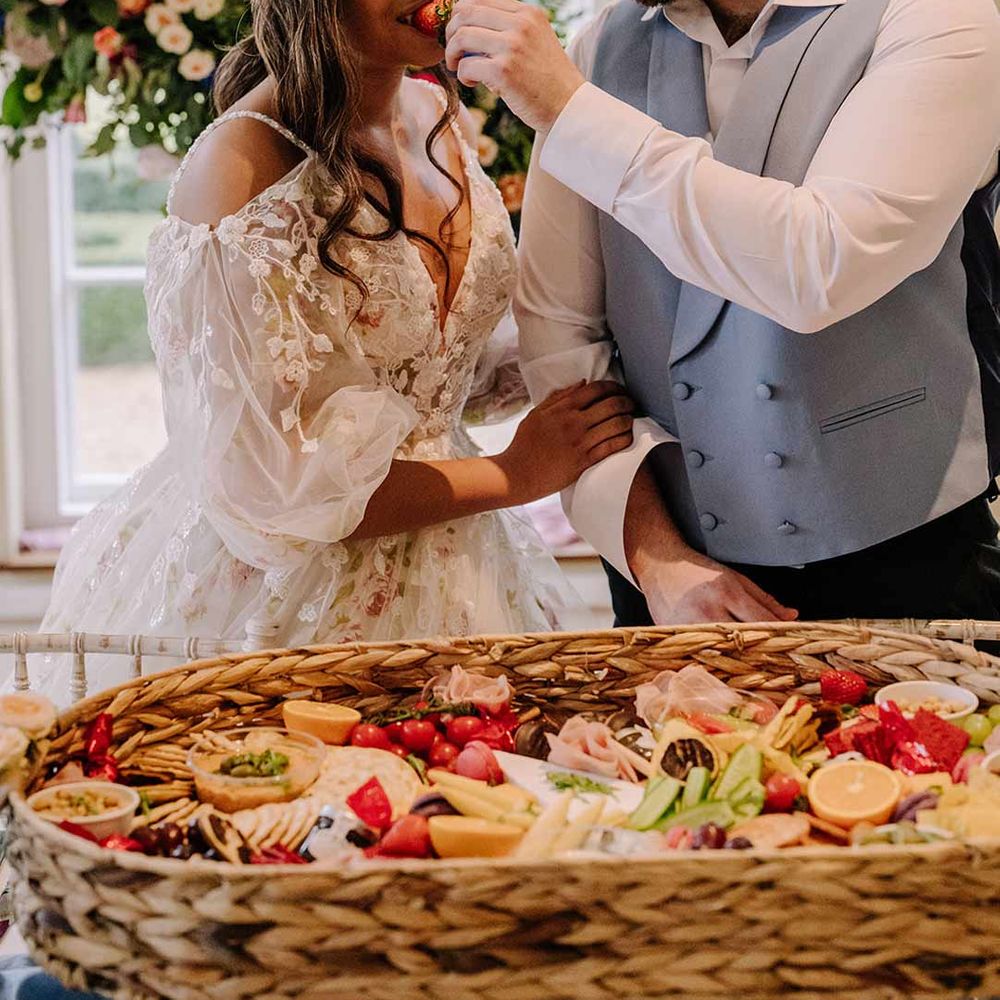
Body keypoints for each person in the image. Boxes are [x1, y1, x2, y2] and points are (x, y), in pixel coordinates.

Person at [27, 0, 635, 704]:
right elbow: (277, 487)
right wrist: (515, 473)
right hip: (288, 607)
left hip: (456, 568)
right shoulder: (239, 166)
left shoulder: (439, 114)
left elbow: (435, 368)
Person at [445, 0, 1000, 626]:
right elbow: (562, 339)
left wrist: (574, 114)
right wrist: (657, 559)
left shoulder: (941, 15)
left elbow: (821, 265)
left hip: (913, 569)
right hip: (669, 592)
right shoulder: (600, 45)